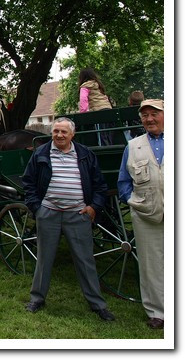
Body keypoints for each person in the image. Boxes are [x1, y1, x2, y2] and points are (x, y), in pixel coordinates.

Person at [22, 117, 115, 321]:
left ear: (72, 134)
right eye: (56, 131)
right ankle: (37, 299)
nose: (59, 135)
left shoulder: (85, 154)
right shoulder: (41, 154)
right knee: (44, 259)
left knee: (85, 260)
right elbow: (28, 183)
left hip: (78, 214)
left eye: (64, 132)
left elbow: (100, 184)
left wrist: (93, 207)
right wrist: (37, 208)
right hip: (48, 213)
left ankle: (97, 304)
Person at [117, 99, 164, 329]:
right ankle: (158, 312)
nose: (149, 119)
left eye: (154, 114)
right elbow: (123, 182)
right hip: (147, 214)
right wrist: (131, 201)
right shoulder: (132, 146)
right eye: (144, 116)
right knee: (151, 264)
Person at [78, 68, 114, 145]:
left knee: (101, 134)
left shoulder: (84, 87)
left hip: (99, 112)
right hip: (109, 110)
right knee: (109, 133)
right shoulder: (98, 85)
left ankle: (105, 149)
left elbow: (83, 100)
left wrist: (83, 114)